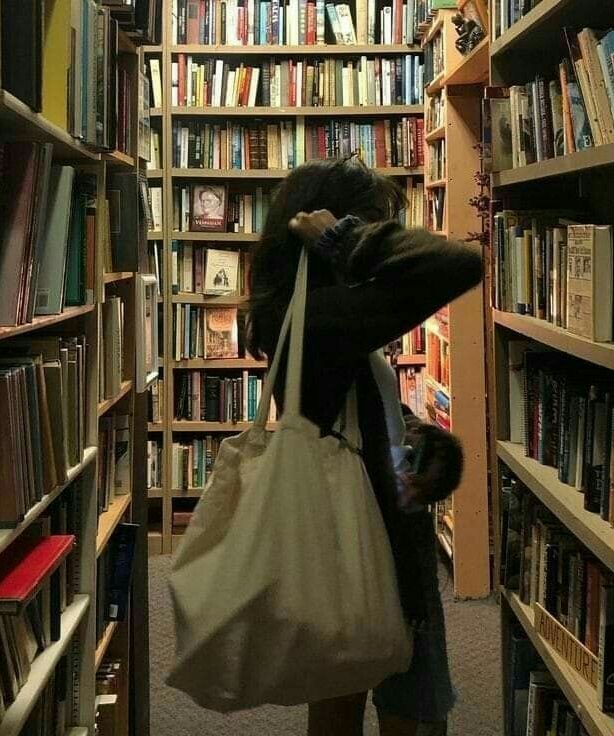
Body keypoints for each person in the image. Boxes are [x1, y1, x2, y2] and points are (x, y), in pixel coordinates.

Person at [246, 158, 483, 736]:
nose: (382, 238)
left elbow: (356, 411)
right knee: (412, 701)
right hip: (374, 537)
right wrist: (343, 237)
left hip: (352, 525)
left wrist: (422, 441)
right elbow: (458, 263)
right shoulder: (317, 316)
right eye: (374, 223)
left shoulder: (308, 312)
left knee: (340, 692)